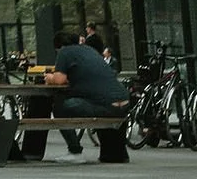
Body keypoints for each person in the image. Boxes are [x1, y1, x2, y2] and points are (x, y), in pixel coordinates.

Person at [39, 26, 131, 154]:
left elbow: (59, 79)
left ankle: (75, 150)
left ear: (58, 47)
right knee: (96, 101)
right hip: (124, 102)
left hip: (104, 105)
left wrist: (49, 78)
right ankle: (117, 153)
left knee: (60, 108)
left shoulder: (65, 52)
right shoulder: (90, 50)